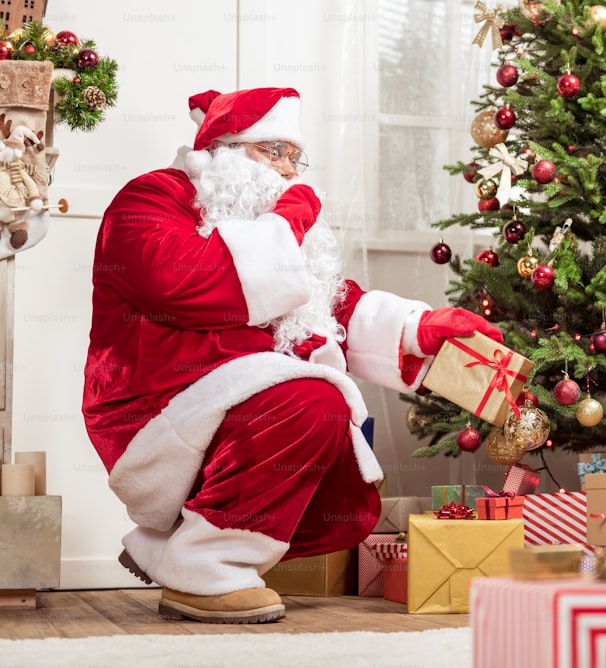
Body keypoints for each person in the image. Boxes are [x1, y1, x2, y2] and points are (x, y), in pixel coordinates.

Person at [81, 87, 502, 624]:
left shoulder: (268, 226)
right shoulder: (152, 197)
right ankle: (206, 570)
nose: (286, 171)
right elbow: (184, 283)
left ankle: (186, 555)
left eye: (293, 157)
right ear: (225, 150)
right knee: (313, 398)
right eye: (271, 151)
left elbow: (328, 308)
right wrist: (286, 223)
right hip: (158, 408)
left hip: (238, 401)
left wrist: (421, 328)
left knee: (321, 404)